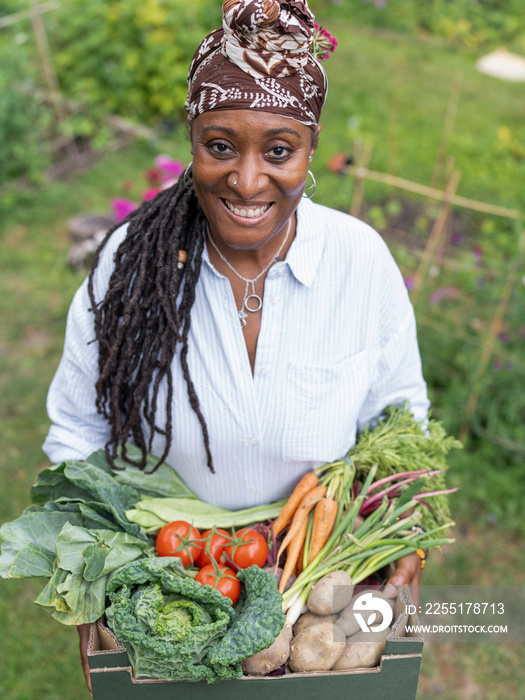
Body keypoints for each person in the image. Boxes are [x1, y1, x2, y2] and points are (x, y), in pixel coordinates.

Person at [43, 0, 428, 690]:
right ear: (192, 138)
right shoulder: (132, 262)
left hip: (320, 576)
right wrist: (93, 585)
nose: (248, 182)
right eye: (220, 145)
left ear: (308, 149)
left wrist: (410, 526)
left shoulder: (357, 262)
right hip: (165, 567)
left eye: (278, 150)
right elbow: (77, 425)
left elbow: (399, 412)